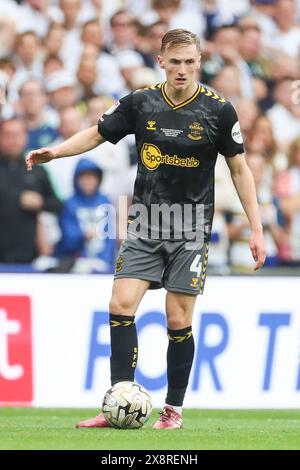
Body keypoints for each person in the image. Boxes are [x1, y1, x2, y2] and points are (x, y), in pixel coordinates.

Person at [26, 29, 266, 429]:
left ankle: (173, 410)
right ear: (161, 62)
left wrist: (256, 229)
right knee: (120, 306)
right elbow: (98, 134)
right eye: (175, 62)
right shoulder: (142, 102)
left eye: (190, 62)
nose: (183, 70)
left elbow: (239, 169)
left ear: (200, 62)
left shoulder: (218, 111)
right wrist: (57, 151)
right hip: (146, 223)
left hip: (190, 228)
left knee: (176, 318)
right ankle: (120, 401)